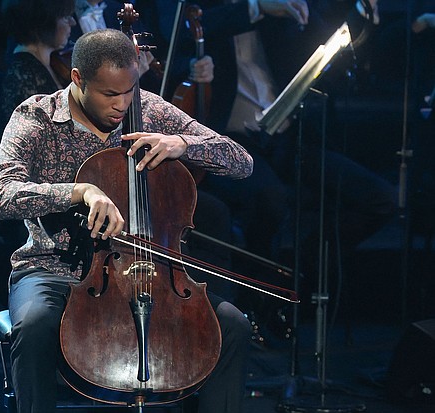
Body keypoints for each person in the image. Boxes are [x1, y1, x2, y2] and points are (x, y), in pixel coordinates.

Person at [0, 28, 254, 413]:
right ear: (77, 79)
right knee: (35, 325)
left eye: (129, 91)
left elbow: (241, 161)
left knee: (233, 327)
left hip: (155, 273)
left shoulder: (149, 110)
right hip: (53, 269)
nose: (122, 104)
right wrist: (79, 192)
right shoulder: (37, 117)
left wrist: (184, 144)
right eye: (110, 94)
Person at [138, 0, 398, 315]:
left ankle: (304, 266)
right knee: (270, 199)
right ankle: (261, 303)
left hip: (287, 135)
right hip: (230, 144)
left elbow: (320, 41)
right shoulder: (209, 10)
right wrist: (256, 8)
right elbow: (170, 37)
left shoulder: (274, 12)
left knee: (380, 198)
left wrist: (358, 14)